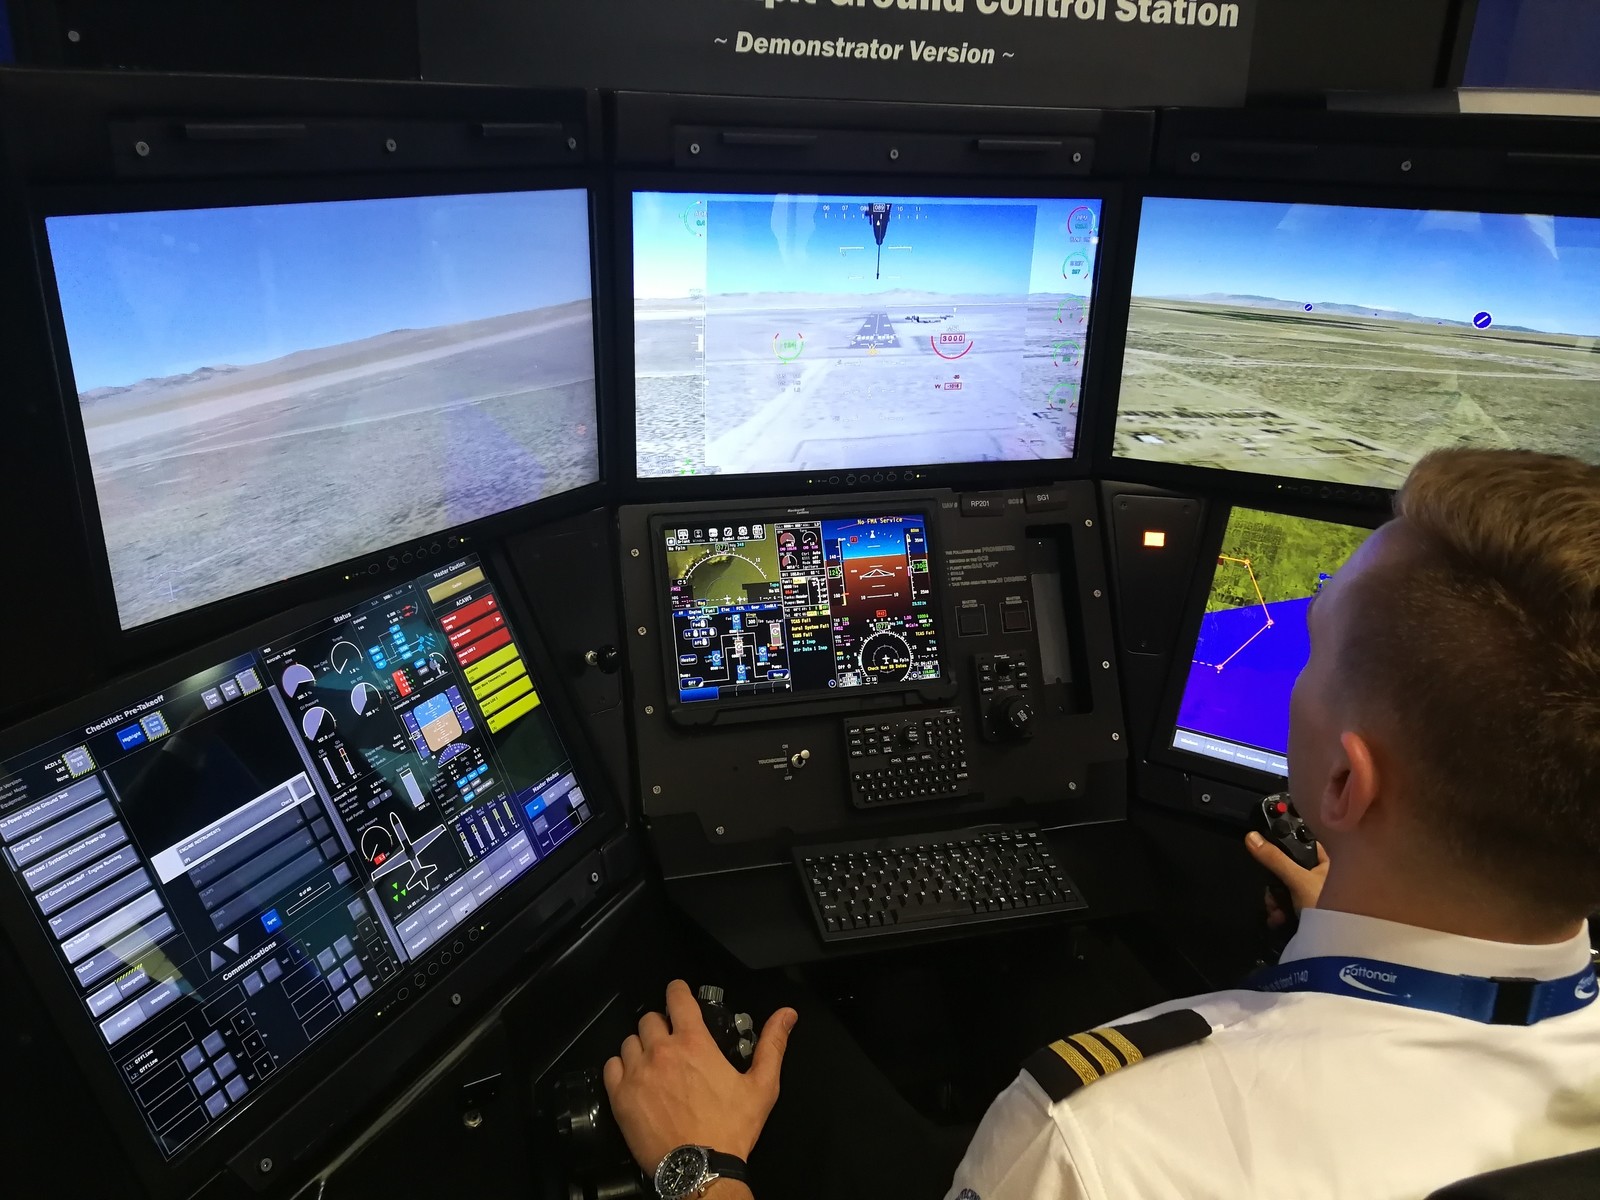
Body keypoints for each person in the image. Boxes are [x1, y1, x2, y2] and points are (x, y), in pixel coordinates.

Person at [601, 448, 1600, 1200]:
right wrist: (1372, 905)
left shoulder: (1102, 1143)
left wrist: (701, 1168)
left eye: (1314, 646)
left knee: (771, 1020)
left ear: (1344, 783)